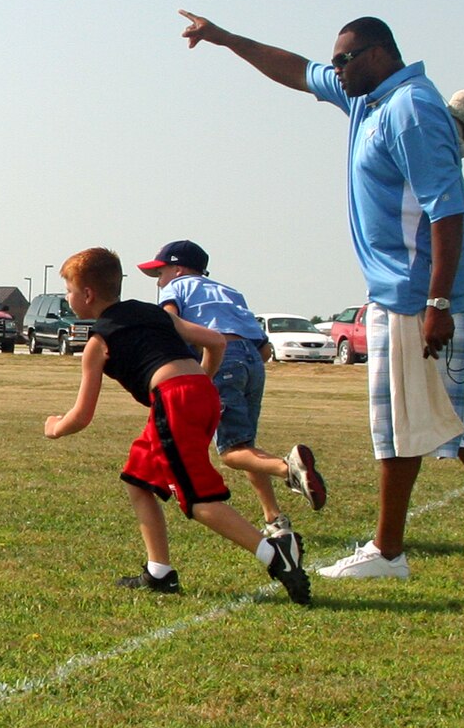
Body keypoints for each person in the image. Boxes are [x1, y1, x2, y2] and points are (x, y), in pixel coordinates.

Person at [179, 11, 464, 580]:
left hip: (417, 295)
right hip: (396, 293)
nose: (334, 70)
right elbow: (297, 71)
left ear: (378, 55)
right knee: (416, 422)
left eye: (343, 60)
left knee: (431, 420)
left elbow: (447, 210)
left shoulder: (411, 109)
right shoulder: (368, 100)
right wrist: (225, 38)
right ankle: (428, 544)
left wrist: (435, 305)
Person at [44, 248, 309, 604]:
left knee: (198, 500)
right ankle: (159, 572)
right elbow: (214, 342)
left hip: (174, 401)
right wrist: (200, 380)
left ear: (87, 295)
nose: (67, 298)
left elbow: (82, 415)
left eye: (68, 291)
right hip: (201, 395)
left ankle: (276, 555)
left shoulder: (98, 343)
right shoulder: (156, 313)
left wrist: (56, 427)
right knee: (139, 480)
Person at [139, 240, 326, 537]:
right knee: (246, 445)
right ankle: (274, 518)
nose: (158, 281)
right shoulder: (229, 292)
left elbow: (170, 320)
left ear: (177, 269)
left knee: (231, 452)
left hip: (221, 357)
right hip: (253, 360)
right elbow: (263, 348)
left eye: (160, 273)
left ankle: (288, 469)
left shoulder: (176, 287)